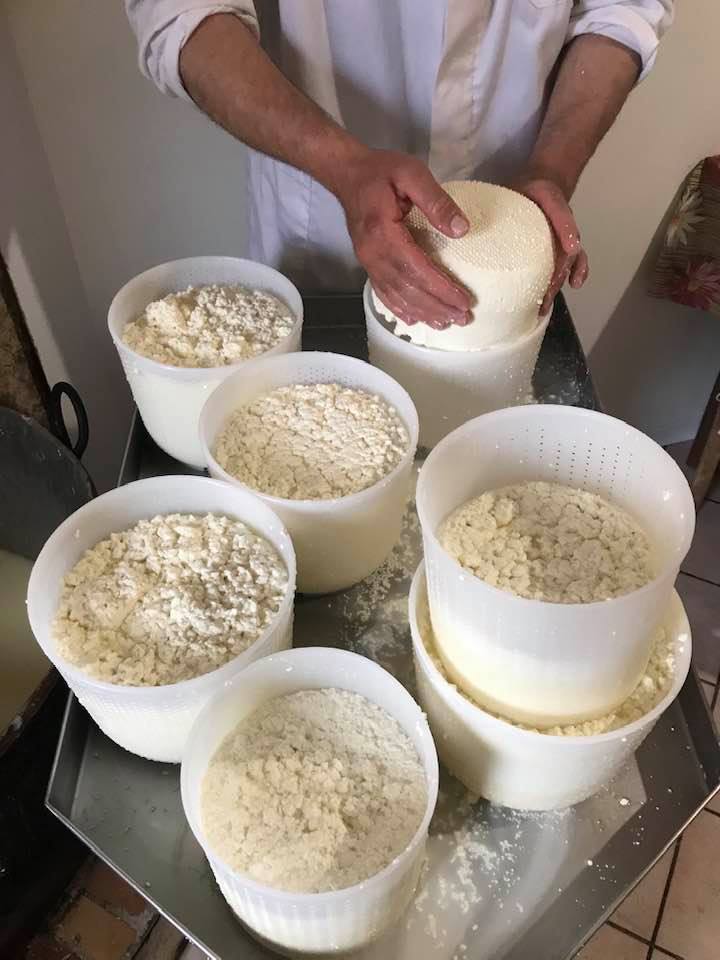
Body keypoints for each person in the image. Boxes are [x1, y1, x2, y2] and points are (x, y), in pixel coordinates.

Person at [125, 2, 673, 329]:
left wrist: (552, 166)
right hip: (320, 216)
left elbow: (622, 10)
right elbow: (183, 14)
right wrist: (341, 165)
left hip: (509, 216)